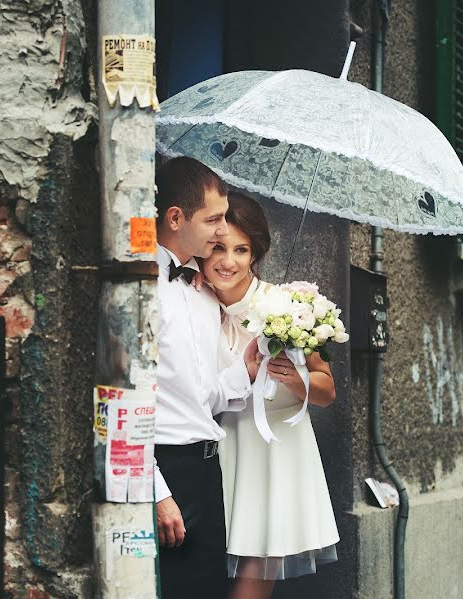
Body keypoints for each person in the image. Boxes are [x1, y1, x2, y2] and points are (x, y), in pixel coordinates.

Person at [200, 193, 340, 599]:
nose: (228, 261)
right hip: (220, 450)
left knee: (252, 581)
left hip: (276, 454)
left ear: (254, 255)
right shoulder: (194, 302)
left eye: (241, 250)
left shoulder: (285, 309)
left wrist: (297, 381)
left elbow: (327, 389)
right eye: (220, 248)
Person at [153, 157, 268, 598]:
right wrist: (157, 492)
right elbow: (121, 396)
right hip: (166, 469)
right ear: (176, 218)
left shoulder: (203, 296)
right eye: (214, 220)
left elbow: (207, 396)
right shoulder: (142, 283)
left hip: (206, 468)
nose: (222, 231)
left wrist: (248, 368)